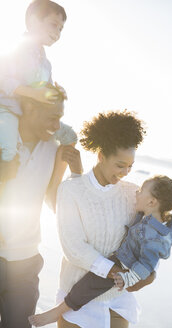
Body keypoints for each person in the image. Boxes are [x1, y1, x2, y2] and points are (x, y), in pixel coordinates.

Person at [31, 110, 156, 328]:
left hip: (116, 299)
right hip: (75, 302)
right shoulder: (72, 190)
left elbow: (144, 237)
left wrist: (149, 271)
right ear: (100, 156)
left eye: (130, 166)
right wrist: (116, 272)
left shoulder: (132, 193)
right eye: (120, 165)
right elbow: (74, 248)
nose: (126, 171)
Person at [29, 174, 172, 327]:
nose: (136, 192)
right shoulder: (150, 217)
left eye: (141, 191)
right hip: (121, 258)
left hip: (124, 266)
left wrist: (128, 278)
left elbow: (148, 264)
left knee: (88, 285)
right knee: (89, 284)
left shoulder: (153, 236)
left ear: (152, 202)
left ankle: (56, 312)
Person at [0, 84, 82, 328]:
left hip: (25, 262)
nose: (58, 126)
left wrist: (76, 173)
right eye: (52, 117)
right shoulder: (3, 137)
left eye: (60, 118)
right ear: (29, 108)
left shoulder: (54, 150)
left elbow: (54, 201)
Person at [0, 0, 77, 182]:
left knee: (70, 136)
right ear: (33, 21)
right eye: (53, 25)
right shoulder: (16, 49)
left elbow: (45, 88)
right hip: (8, 109)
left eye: (60, 29)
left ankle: (52, 186)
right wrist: (32, 93)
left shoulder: (46, 63)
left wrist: (57, 93)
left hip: (33, 115)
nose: (57, 32)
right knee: (9, 151)